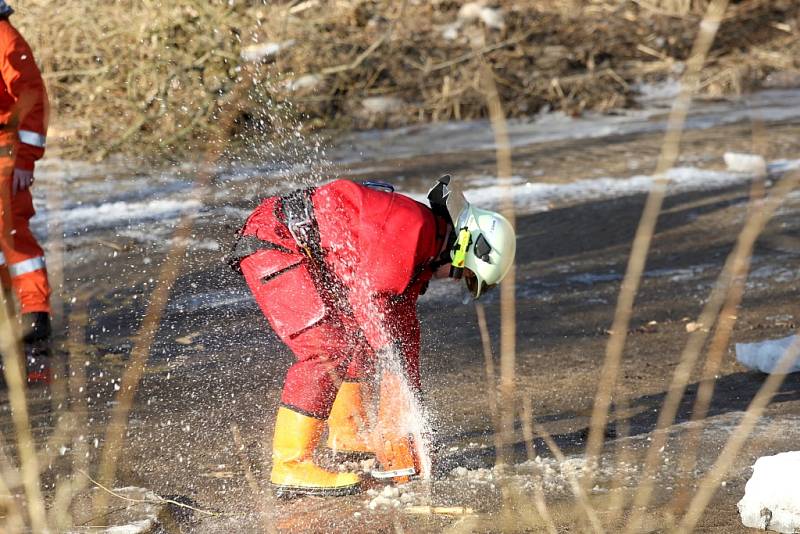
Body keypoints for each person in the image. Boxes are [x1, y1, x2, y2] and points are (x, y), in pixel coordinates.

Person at [229, 175, 515, 496]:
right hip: (277, 242)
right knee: (325, 349)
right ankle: (291, 466)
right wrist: (390, 357)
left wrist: (406, 411)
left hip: (297, 247)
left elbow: (403, 332)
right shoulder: (414, 228)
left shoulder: (421, 253)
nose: (452, 280)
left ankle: (347, 435)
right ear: (466, 248)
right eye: (462, 274)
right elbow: (371, 300)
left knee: (360, 341)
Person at [0, 1, 52, 382]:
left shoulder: (4, 37)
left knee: (11, 238)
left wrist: (24, 158)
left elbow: (32, 95)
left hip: (5, 155)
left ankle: (33, 326)